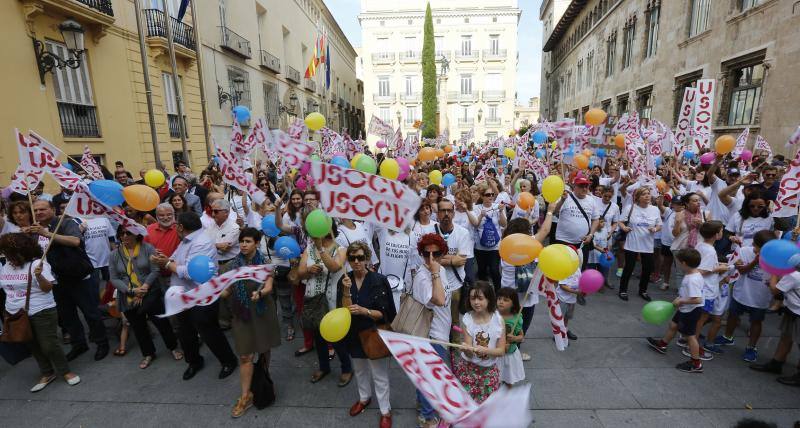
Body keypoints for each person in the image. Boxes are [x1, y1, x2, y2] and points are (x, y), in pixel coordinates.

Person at [151, 212, 238, 381]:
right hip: (183, 295)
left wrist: (167, 264)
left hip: (202, 296)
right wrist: (165, 259)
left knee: (209, 331)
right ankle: (194, 361)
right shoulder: (185, 241)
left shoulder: (202, 242)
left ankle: (228, 361)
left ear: (181, 227)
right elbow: (175, 260)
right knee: (185, 332)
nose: (174, 227)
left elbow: (192, 272)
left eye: (176, 224)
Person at [27, 199, 109, 361]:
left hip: (77, 277)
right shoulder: (35, 229)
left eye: (42, 209)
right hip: (56, 280)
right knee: (67, 316)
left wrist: (47, 233)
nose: (38, 213)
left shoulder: (65, 223)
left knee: (91, 313)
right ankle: (79, 345)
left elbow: (75, 241)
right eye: (35, 210)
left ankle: (102, 343)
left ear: (52, 209)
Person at [0, 233, 80, 391]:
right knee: (33, 345)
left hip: (41, 311)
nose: (6, 256)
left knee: (49, 345)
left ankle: (65, 371)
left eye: (8, 252)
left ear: (21, 251)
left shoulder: (37, 263)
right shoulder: (6, 265)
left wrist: (39, 276)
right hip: (16, 314)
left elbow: (47, 288)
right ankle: (47, 373)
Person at [220, 228, 281, 418]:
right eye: (242, 241)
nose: (244, 245)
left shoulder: (265, 264)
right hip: (242, 313)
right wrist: (213, 292)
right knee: (245, 356)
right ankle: (245, 396)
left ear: (256, 243)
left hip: (262, 311)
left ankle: (263, 376)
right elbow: (227, 291)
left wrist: (260, 293)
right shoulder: (232, 265)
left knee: (264, 348)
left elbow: (269, 287)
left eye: (248, 241)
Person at [337, 242, 397, 428]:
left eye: (360, 258)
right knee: (360, 370)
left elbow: (387, 314)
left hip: (373, 334)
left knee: (379, 375)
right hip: (353, 334)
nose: (356, 262)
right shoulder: (344, 280)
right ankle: (364, 398)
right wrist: (346, 291)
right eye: (352, 258)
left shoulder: (379, 280)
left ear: (368, 258)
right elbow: (343, 311)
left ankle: (385, 411)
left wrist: (365, 311)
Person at [109, 226, 181, 369]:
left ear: (136, 235)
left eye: (128, 233)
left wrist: (145, 287)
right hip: (128, 297)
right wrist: (130, 291)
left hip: (150, 293)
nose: (124, 237)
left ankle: (173, 347)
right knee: (138, 327)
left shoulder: (147, 248)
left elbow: (155, 270)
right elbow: (114, 278)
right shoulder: (114, 255)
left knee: (162, 323)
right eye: (121, 234)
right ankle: (148, 353)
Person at [298, 223, 352, 386]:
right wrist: (309, 270)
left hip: (332, 300)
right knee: (318, 336)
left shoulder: (340, 249)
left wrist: (321, 250)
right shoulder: (309, 249)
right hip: (314, 299)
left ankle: (347, 368)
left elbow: (334, 267)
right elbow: (300, 273)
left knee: (335, 337)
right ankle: (324, 367)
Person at [716, 230, 775, 362]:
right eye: (756, 245)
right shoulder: (744, 251)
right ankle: (728, 336)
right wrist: (756, 261)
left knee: (756, 321)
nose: (755, 248)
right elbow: (741, 271)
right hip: (741, 292)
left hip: (760, 297)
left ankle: (751, 347)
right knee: (733, 315)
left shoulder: (775, 258)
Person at [410, 233, 449, 427]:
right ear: (421, 254)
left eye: (436, 253)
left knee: (425, 373)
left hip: (440, 330)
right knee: (432, 377)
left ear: (443, 253)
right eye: (427, 254)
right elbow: (440, 300)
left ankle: (422, 404)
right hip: (430, 334)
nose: (431, 258)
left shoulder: (440, 269)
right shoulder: (424, 276)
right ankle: (426, 417)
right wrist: (434, 272)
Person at [646, 248, 705, 373]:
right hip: (685, 309)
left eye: (677, 262)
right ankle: (662, 344)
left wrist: (681, 301)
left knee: (690, 336)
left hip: (691, 310)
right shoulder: (693, 274)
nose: (676, 264)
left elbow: (698, 300)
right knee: (673, 325)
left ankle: (696, 363)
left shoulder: (692, 280)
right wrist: (681, 298)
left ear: (683, 263)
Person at [455, 281, 506, 403]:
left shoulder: (499, 320)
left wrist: (486, 350)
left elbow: (501, 351)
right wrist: (466, 349)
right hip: (468, 369)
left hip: (489, 371)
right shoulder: (467, 319)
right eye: (473, 298)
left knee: (486, 406)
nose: (476, 302)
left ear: (489, 299)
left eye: (480, 298)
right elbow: (469, 354)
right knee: (467, 404)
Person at [749, 265, 800, 386]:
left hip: (797, 313)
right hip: (793, 311)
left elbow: (774, 290)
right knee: (785, 338)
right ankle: (776, 363)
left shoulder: (794, 275)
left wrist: (773, 273)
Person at [617, 187, 662, 302]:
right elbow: (620, 221)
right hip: (632, 243)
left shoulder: (655, 209)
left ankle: (643, 290)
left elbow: (659, 225)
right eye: (643, 194)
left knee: (647, 269)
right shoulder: (630, 207)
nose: (647, 196)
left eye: (648, 194)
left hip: (647, 245)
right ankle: (623, 290)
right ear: (637, 197)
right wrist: (624, 227)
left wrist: (655, 229)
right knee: (629, 268)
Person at [692, 221, 729, 358]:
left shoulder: (701, 245)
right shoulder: (710, 250)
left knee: (697, 318)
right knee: (700, 320)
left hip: (702, 288)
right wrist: (719, 268)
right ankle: (693, 347)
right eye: (721, 231)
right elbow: (702, 270)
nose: (722, 233)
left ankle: (688, 340)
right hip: (706, 290)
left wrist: (719, 264)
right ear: (716, 235)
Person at [553, 173, 599, 271]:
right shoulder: (565, 197)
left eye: (586, 186)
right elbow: (553, 212)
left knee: (579, 270)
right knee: (562, 269)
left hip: (582, 243)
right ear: (574, 186)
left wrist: (590, 235)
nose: (584, 188)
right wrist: (561, 200)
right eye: (581, 186)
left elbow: (596, 219)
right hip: (564, 241)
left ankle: (576, 286)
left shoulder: (592, 201)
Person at [474, 182, 507, 289]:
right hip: (480, 246)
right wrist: (480, 215)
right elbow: (475, 225)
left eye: (492, 194)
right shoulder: (476, 208)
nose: (491, 197)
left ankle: (498, 293)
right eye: (488, 195)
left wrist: (501, 212)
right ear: (482, 196)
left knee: (494, 270)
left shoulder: (498, 207)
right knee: (482, 271)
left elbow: (504, 224)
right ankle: (484, 293)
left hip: (495, 246)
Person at [496, 287, 524, 386]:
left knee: (509, 379)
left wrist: (515, 338)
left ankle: (508, 396)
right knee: (496, 379)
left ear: (513, 303)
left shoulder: (517, 318)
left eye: (505, 300)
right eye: (499, 299)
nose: (501, 302)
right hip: (496, 354)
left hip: (510, 355)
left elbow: (521, 336)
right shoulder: (493, 316)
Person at [557, 248, 583, 341]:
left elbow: (580, 281)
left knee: (567, 316)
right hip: (563, 298)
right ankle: (558, 334)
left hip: (572, 299)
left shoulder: (577, 269)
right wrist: (576, 292)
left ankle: (565, 330)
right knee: (560, 317)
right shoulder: (564, 269)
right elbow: (562, 286)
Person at [205, 199, 240, 265]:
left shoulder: (234, 227)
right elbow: (204, 245)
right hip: (213, 264)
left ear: (226, 212)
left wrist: (210, 245)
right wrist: (217, 245)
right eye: (212, 211)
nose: (212, 214)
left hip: (229, 264)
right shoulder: (210, 226)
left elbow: (224, 248)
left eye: (216, 212)